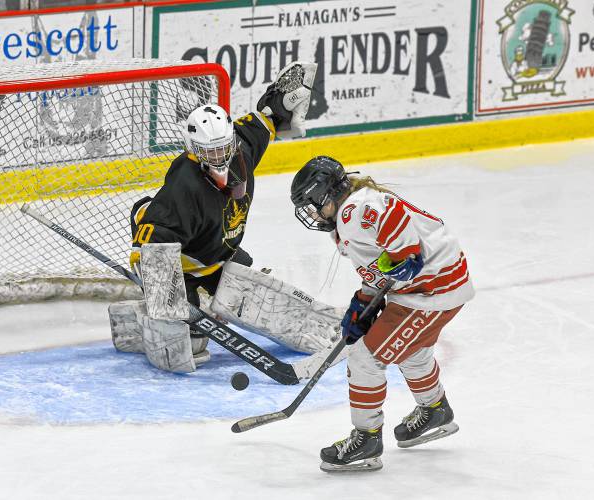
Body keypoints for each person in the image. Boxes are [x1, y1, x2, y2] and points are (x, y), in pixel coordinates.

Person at [108, 63, 343, 374]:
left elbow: (266, 118)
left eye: (223, 149)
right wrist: (168, 301)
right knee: (189, 342)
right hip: (186, 265)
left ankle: (319, 326)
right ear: (194, 151)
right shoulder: (184, 185)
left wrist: (286, 101)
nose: (219, 158)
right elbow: (154, 243)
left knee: (260, 299)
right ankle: (139, 321)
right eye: (210, 152)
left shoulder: (242, 148)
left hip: (222, 253)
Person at [290, 156, 475, 472]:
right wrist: (362, 303)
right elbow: (379, 267)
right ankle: (435, 411)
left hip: (432, 292)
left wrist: (407, 253)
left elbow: (391, 213)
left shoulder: (356, 208)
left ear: (326, 193)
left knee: (365, 358)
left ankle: (367, 439)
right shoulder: (349, 215)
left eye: (313, 204)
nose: (314, 213)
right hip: (429, 288)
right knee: (412, 352)